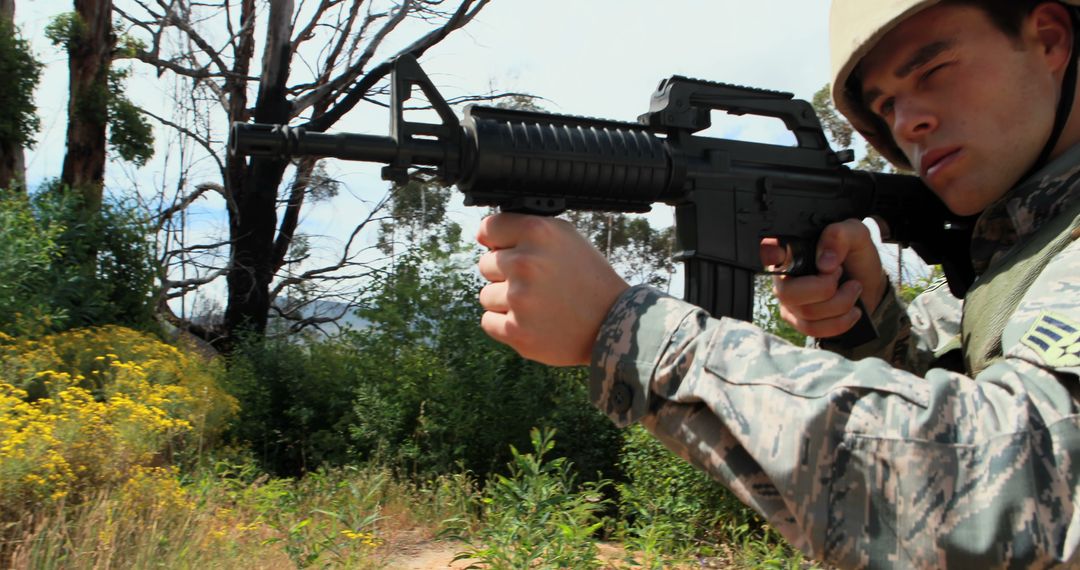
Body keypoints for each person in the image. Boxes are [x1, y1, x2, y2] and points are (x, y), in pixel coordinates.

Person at [476, 0, 1080, 567]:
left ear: (1049, 40)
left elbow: (1022, 492)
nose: (909, 123)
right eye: (886, 106)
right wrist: (867, 329)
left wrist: (631, 330)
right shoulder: (1019, 250)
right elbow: (966, 384)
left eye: (935, 70)